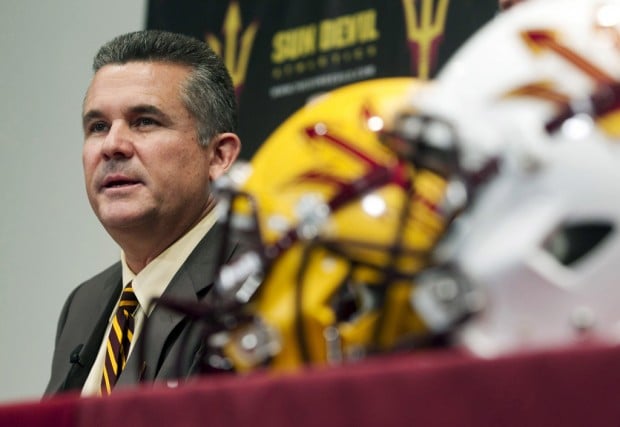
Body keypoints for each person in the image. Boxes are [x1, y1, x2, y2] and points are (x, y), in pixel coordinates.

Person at [44, 30, 242, 396]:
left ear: (218, 156)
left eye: (144, 121)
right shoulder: (84, 304)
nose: (112, 145)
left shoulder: (257, 283)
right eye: (98, 127)